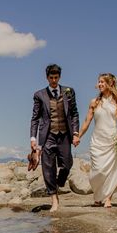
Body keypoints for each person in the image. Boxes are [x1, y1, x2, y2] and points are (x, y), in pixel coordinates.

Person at [30, 64, 80, 212]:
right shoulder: (39, 95)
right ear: (47, 78)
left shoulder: (68, 92)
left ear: (59, 77)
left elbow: (74, 113)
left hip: (65, 135)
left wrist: (76, 133)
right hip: (47, 137)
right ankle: (54, 200)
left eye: (56, 77)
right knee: (48, 168)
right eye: (51, 77)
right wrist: (33, 138)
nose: (53, 80)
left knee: (67, 164)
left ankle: (59, 182)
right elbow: (35, 118)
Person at [76, 73, 117, 208]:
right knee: (98, 171)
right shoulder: (94, 102)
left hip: (113, 141)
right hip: (97, 141)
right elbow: (87, 121)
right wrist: (78, 136)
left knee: (111, 170)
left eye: (102, 82)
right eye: (98, 82)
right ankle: (98, 196)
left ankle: (108, 199)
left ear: (110, 84)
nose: (99, 84)